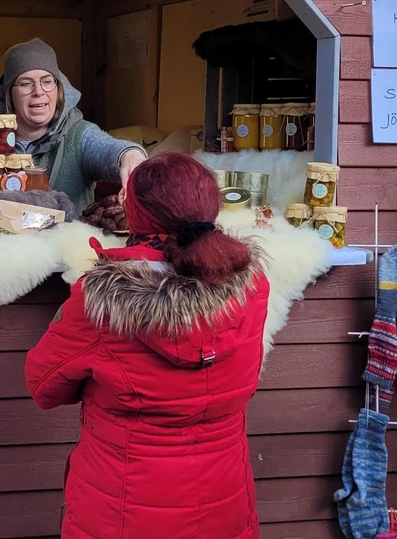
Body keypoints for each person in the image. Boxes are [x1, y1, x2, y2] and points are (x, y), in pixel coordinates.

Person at [25, 152, 270, 539]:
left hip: (121, 511)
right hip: (225, 502)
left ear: (138, 214)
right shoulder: (251, 287)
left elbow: (43, 385)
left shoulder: (99, 302)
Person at [0, 38, 146, 211]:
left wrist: (130, 156)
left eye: (47, 81)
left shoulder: (79, 135)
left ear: (59, 89)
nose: (38, 92)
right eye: (25, 83)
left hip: (68, 238)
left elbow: (108, 149)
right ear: (10, 95)